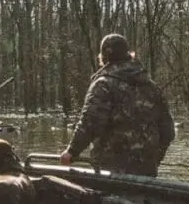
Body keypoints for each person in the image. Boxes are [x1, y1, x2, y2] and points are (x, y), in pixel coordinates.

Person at [58, 32, 175, 175]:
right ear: (129, 55)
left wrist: (71, 151)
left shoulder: (103, 84)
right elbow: (168, 130)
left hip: (112, 171)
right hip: (147, 170)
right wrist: (155, 157)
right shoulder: (151, 86)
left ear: (103, 58)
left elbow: (91, 122)